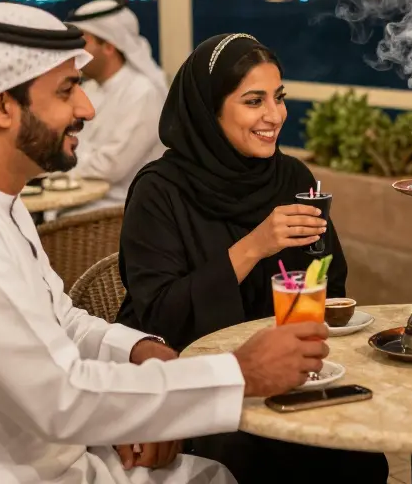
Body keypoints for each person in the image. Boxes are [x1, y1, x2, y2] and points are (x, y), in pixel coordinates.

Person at [0, 4, 331, 484]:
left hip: (21, 449)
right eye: (67, 91)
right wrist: (237, 375)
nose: (88, 110)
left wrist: (136, 350)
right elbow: (61, 399)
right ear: (1, 106)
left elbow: (57, 320)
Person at [115, 33, 387, 483]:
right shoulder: (159, 191)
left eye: (279, 98)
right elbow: (161, 315)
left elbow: (329, 282)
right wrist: (255, 246)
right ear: (209, 109)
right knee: (260, 458)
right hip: (192, 384)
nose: (275, 116)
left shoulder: (291, 177)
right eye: (253, 101)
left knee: (358, 455)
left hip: (288, 380)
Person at [57, 0, 167, 213]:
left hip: (116, 212)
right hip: (73, 199)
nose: (74, 51)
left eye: (82, 42)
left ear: (109, 46)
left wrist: (58, 165)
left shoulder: (144, 93)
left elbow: (110, 166)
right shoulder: (89, 90)